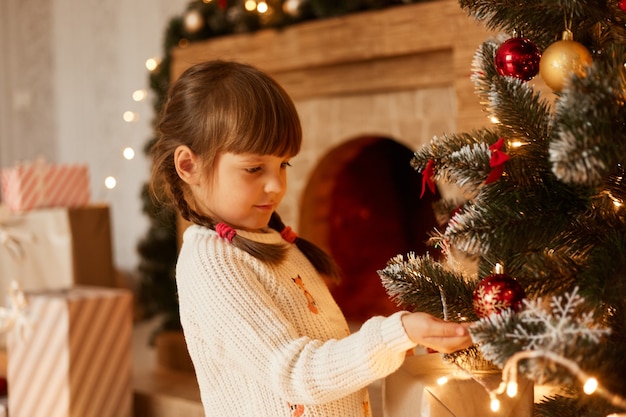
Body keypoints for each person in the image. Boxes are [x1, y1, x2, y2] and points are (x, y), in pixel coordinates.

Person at [150, 60, 472, 417]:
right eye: (254, 168)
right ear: (189, 166)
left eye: (283, 165)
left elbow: (325, 358)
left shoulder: (272, 241)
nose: (276, 186)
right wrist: (395, 334)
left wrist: (405, 343)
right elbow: (295, 373)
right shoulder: (213, 262)